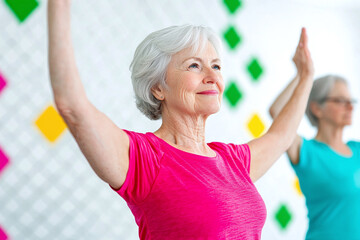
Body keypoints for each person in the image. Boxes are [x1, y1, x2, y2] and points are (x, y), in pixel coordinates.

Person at [47, 1, 313, 239]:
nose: (212, 76)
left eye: (216, 66)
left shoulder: (232, 162)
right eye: (194, 66)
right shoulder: (144, 160)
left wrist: (307, 76)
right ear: (158, 88)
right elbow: (73, 108)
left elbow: (280, 136)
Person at [270, 73, 360, 238]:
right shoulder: (307, 151)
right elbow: (276, 111)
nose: (350, 107)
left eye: (351, 101)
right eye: (341, 101)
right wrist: (304, 73)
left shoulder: (357, 150)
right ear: (316, 108)